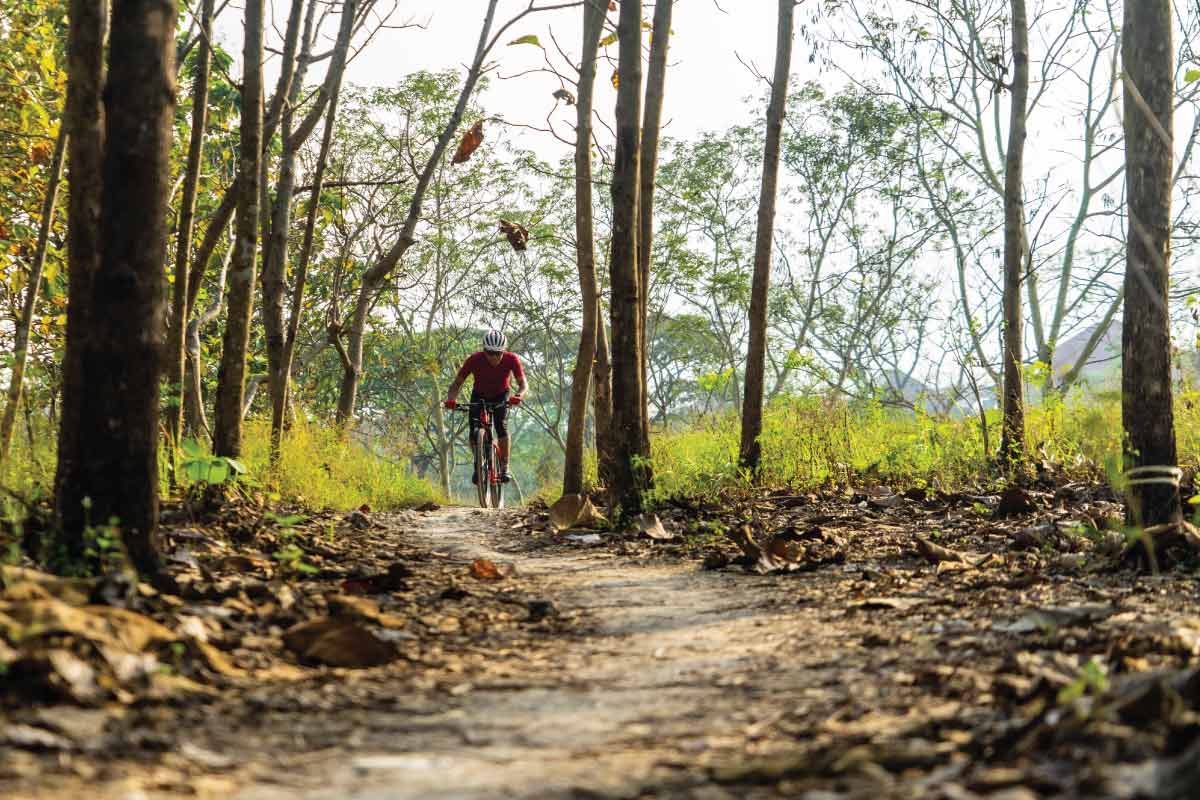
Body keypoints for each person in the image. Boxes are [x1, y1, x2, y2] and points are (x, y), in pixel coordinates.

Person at [444, 329, 526, 483]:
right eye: (489, 353)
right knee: (473, 431)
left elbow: (523, 384)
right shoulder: (474, 359)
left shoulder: (511, 359)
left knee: (501, 426)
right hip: (479, 395)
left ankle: (505, 466)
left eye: (498, 353)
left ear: (503, 351)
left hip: (501, 395)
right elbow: (456, 383)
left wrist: (519, 396)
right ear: (484, 350)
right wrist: (451, 399)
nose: (493, 357)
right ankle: (479, 464)